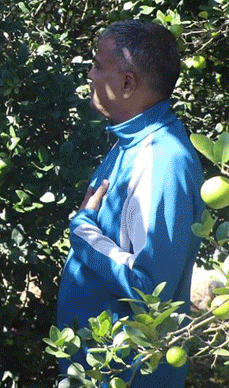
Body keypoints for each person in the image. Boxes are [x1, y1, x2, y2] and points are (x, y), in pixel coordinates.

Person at [56, 19, 204, 387]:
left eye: (98, 65)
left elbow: (149, 289)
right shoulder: (133, 145)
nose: (90, 74)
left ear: (127, 82)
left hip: (128, 375)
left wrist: (83, 230)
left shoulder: (160, 159)